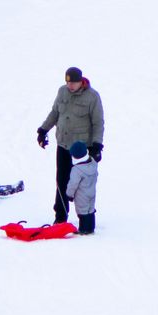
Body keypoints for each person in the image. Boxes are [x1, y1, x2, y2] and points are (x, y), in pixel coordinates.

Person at [36, 66, 104, 224]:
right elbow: (55, 113)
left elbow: (98, 123)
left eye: (73, 83)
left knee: (82, 184)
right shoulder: (62, 91)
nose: (70, 86)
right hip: (63, 144)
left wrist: (97, 145)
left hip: (81, 149)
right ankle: (60, 217)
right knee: (61, 181)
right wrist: (43, 129)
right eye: (68, 83)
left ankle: (85, 219)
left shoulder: (92, 97)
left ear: (81, 81)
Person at [65, 140, 99, 235]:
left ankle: (83, 229)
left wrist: (69, 195)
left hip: (81, 195)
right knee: (90, 209)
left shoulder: (76, 170)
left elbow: (73, 184)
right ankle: (91, 228)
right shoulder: (93, 164)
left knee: (82, 212)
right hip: (92, 191)